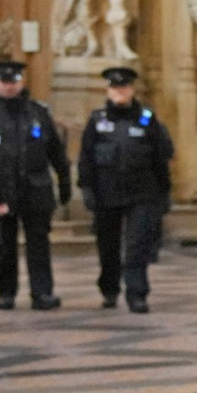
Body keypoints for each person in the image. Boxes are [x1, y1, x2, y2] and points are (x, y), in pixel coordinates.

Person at [77, 66, 172, 313]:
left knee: (137, 245)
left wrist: (164, 192)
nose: (120, 92)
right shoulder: (97, 121)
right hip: (105, 193)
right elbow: (86, 157)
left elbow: (161, 158)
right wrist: (86, 188)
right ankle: (109, 289)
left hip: (142, 192)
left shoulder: (147, 119)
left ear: (132, 90)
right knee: (107, 245)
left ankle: (137, 293)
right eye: (115, 88)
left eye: (124, 87)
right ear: (108, 90)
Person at [0, 59, 70, 311]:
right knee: (3, 243)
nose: (9, 87)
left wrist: (64, 183)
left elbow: (56, 152)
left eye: (13, 81)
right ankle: (6, 292)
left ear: (21, 82)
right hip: (1, 189)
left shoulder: (38, 112)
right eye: (4, 82)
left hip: (35, 187)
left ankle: (42, 292)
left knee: (38, 243)